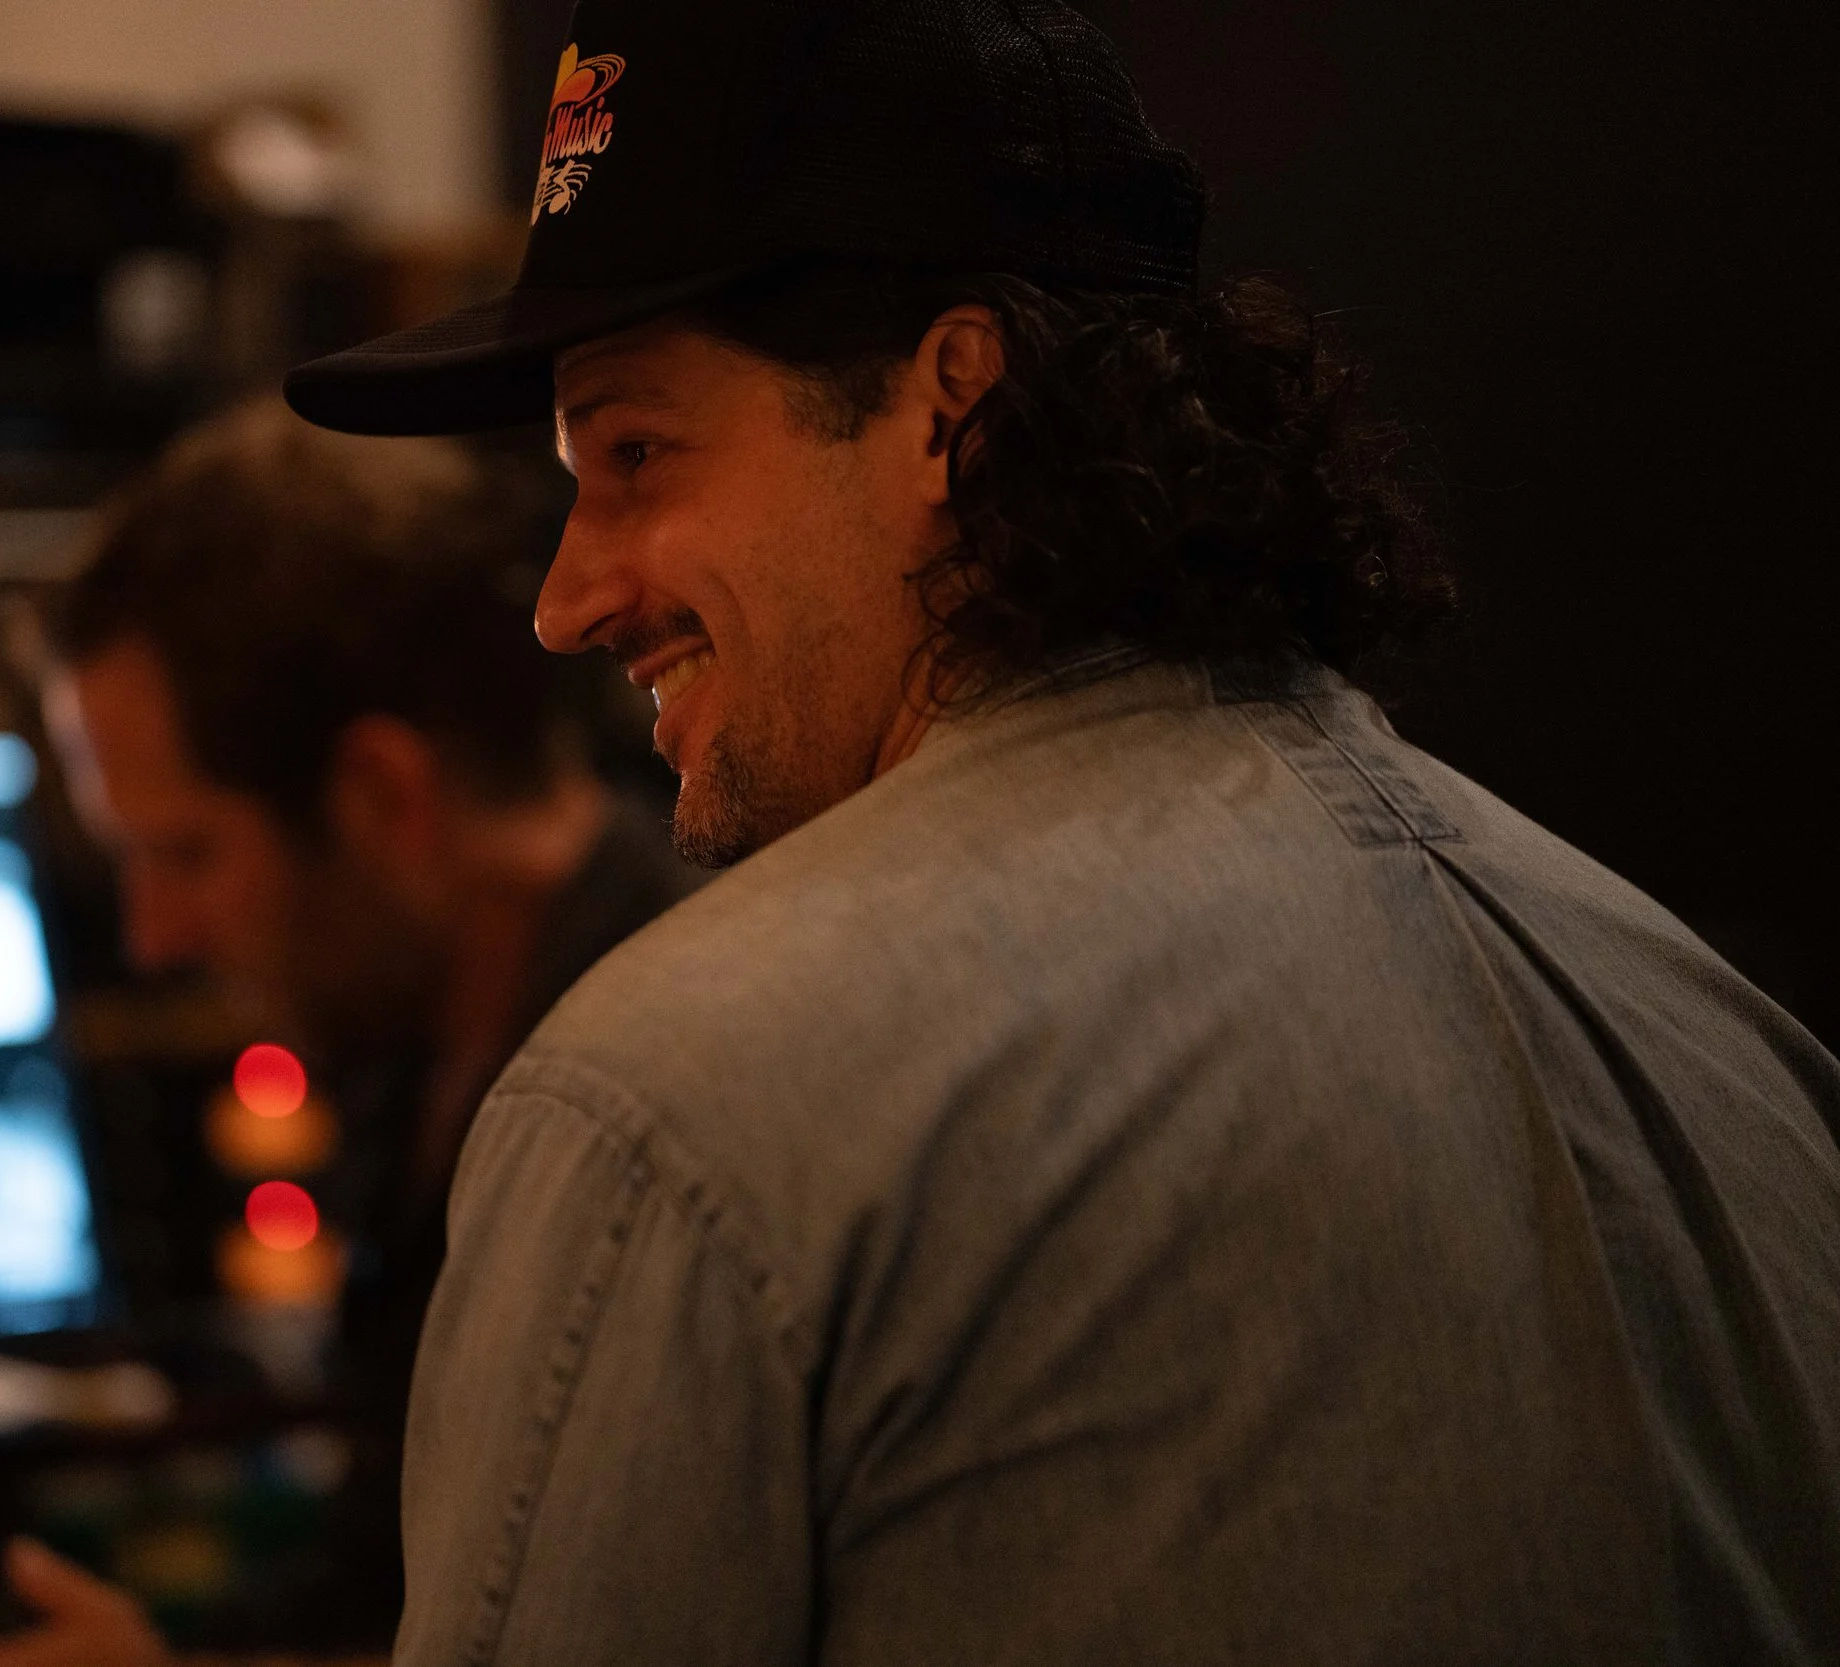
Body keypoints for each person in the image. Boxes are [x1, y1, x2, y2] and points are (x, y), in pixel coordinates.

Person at [280, 1, 1840, 1662]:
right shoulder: (1724, 1040)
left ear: (951, 402)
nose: (566, 600)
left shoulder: (676, 1098)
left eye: (639, 451)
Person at [0, 397, 694, 1666]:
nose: (152, 934)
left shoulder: (654, 1105)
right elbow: (392, 1591)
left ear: (381, 794)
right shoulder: (410, 1046)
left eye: (184, 852)